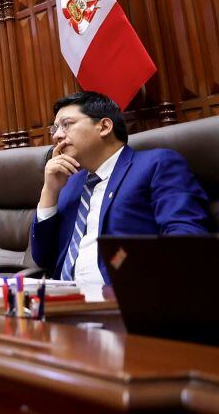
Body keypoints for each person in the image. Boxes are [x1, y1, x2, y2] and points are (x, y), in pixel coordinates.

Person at [30, 91, 210, 287]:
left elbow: (186, 239)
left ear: (105, 126)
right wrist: (50, 191)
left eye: (66, 124)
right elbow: (44, 258)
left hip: (127, 300)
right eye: (54, 128)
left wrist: (123, 262)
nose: (57, 136)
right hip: (63, 300)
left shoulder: (156, 164)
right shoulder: (69, 183)